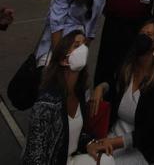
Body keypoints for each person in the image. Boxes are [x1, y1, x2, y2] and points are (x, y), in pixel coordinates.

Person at [22, 30, 115, 165]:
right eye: (77, 45)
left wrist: (90, 143)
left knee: (107, 160)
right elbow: (34, 154)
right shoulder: (46, 103)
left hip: (70, 159)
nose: (83, 48)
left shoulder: (79, 92)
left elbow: (75, 135)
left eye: (84, 44)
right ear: (64, 60)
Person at [91, 19, 154, 164]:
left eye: (149, 35)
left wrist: (115, 142)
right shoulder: (128, 68)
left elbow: (151, 131)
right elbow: (113, 83)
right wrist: (101, 87)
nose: (143, 36)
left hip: (138, 149)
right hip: (111, 137)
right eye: (142, 33)